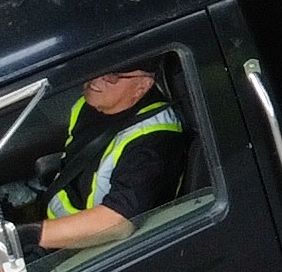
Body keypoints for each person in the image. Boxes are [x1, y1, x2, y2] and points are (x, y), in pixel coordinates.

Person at [35, 65, 189, 249]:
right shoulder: (90, 105)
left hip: (94, 249)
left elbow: (118, 222)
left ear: (142, 87)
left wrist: (33, 236)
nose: (96, 77)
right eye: (100, 65)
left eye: (113, 76)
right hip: (58, 233)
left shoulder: (154, 141)